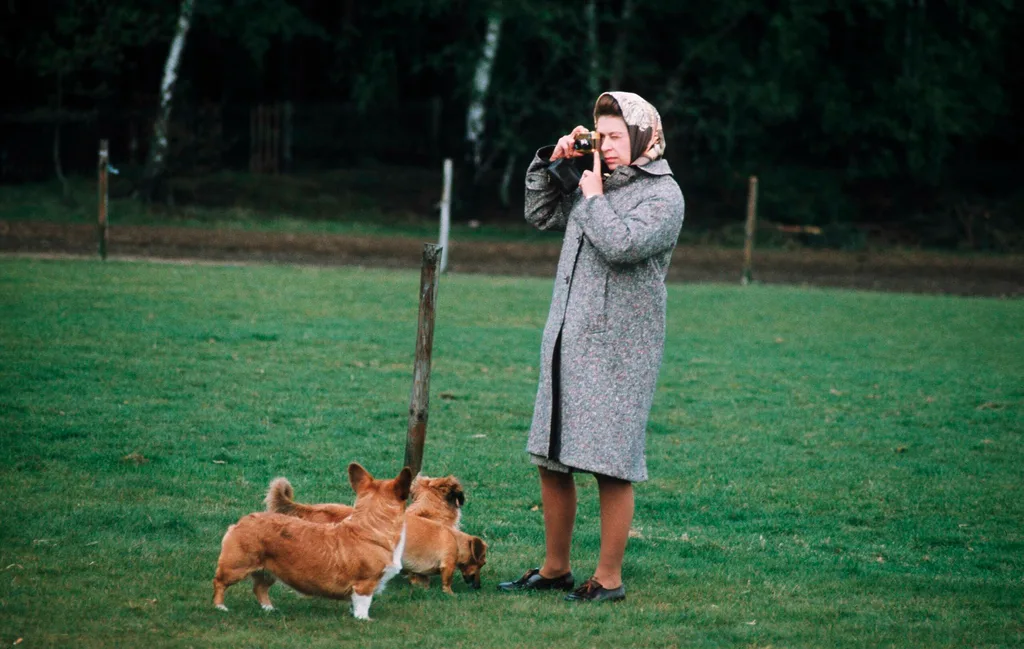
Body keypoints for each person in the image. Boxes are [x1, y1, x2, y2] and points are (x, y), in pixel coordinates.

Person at [497, 91, 684, 603]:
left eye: (619, 137)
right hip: (567, 337)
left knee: (610, 463)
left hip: (621, 349)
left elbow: (622, 246)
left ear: (646, 136)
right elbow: (539, 215)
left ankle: (608, 580)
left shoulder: (663, 196)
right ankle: (555, 568)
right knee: (552, 457)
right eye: (603, 136)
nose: (610, 146)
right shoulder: (591, 179)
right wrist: (552, 164)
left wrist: (595, 194)